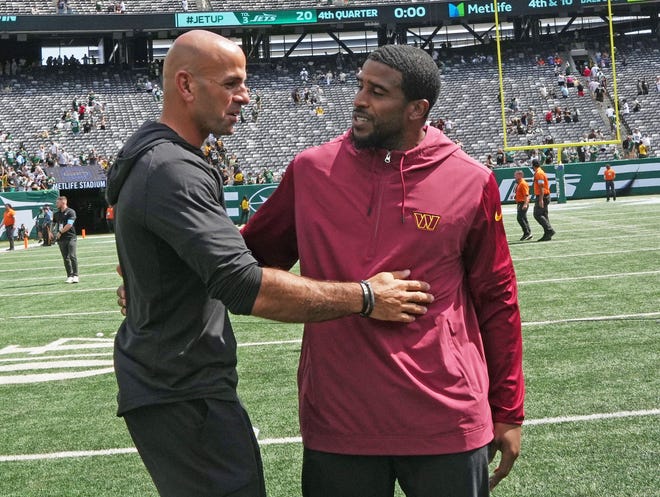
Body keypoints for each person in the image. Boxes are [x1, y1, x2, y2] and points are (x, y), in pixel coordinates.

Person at [106, 31, 433, 497]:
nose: (245, 96)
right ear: (185, 85)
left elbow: (199, 262)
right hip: (181, 388)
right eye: (231, 82)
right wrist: (366, 297)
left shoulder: (158, 156)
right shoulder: (172, 169)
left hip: (173, 383)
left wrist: (152, 284)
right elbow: (244, 285)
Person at [242, 45, 524, 497]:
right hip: (340, 422)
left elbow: (497, 298)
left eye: (377, 91)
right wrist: (161, 269)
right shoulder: (311, 171)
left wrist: (508, 409)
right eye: (359, 85)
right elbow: (247, 257)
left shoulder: (471, 180)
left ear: (417, 109)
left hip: (447, 418)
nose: (358, 99)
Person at [53, 196, 78, 282]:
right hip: (61, 239)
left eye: (57, 202)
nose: (56, 204)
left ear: (63, 202)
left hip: (71, 237)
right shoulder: (56, 214)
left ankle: (75, 275)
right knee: (65, 258)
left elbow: (69, 224)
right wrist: (50, 232)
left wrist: (60, 232)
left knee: (72, 255)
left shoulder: (71, 212)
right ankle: (69, 275)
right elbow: (53, 223)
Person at [532, 160, 555, 241]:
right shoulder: (540, 172)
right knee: (544, 215)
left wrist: (541, 199)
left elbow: (541, 187)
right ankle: (547, 234)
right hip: (544, 196)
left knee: (537, 214)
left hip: (543, 196)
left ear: (533, 166)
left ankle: (549, 230)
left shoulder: (539, 173)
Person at [514, 170, 532, 240]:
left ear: (520, 175)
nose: (514, 176)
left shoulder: (523, 183)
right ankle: (528, 233)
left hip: (523, 203)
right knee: (523, 218)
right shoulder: (519, 183)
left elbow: (526, 195)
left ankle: (527, 233)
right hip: (520, 203)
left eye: (515, 175)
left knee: (520, 218)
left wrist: (525, 204)